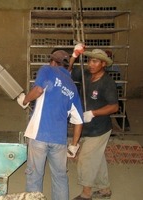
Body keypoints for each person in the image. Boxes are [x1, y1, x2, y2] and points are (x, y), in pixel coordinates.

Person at [17, 50, 84, 200]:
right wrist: (74, 145)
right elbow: (79, 120)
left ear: (52, 61)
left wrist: (25, 100)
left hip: (39, 135)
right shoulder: (72, 87)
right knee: (60, 177)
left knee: (34, 176)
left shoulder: (47, 70)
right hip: (59, 140)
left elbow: (38, 90)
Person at [70, 48, 119, 200]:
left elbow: (114, 106)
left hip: (100, 129)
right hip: (86, 127)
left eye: (95, 61)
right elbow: (69, 71)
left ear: (103, 64)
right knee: (97, 158)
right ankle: (104, 189)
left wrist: (93, 113)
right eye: (90, 60)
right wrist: (74, 56)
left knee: (85, 158)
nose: (91, 64)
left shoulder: (107, 83)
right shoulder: (86, 75)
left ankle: (86, 194)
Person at [105, 50, 131, 131]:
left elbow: (115, 79)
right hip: (112, 89)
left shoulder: (114, 66)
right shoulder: (110, 66)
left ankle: (125, 125)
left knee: (118, 107)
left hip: (115, 89)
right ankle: (123, 125)